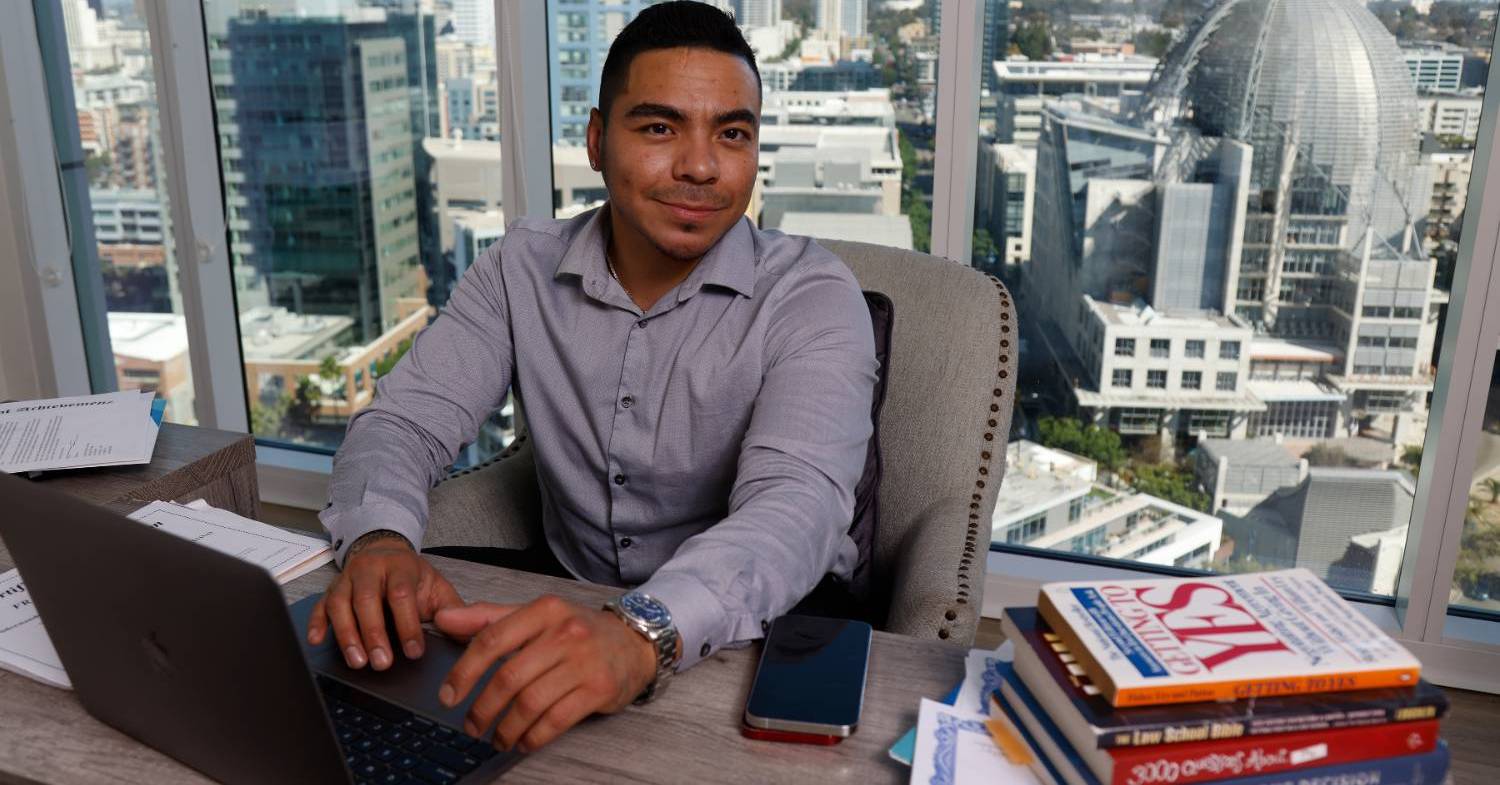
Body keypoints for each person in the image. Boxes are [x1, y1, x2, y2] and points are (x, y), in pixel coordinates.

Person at [305, 1, 877, 753]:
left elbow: (794, 506)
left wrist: (642, 631)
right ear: (597, 141)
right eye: (660, 127)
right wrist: (379, 539)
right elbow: (404, 423)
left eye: (732, 133)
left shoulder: (813, 293)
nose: (701, 166)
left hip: (773, 622)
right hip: (574, 598)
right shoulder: (520, 266)